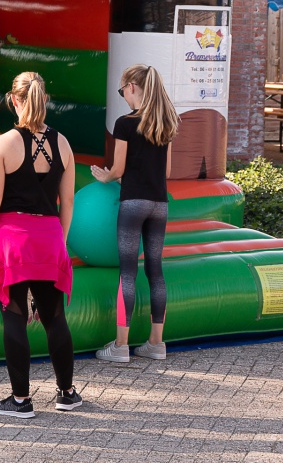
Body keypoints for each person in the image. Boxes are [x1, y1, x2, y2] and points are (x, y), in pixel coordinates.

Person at [0, 71, 80, 418]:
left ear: (14, 100)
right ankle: (67, 393)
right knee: (54, 316)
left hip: (13, 240)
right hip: (49, 237)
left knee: (15, 314)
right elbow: (68, 202)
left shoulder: (3, 143)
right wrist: (59, 241)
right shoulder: (63, 143)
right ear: (44, 98)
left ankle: (20, 400)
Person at [91, 65, 179, 363]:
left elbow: (118, 169)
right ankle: (156, 343)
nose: (124, 96)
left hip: (133, 204)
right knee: (156, 270)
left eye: (122, 91)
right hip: (159, 204)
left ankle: (121, 345)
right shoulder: (166, 122)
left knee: (128, 272)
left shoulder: (125, 123)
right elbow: (167, 171)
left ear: (131, 87)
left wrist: (105, 177)